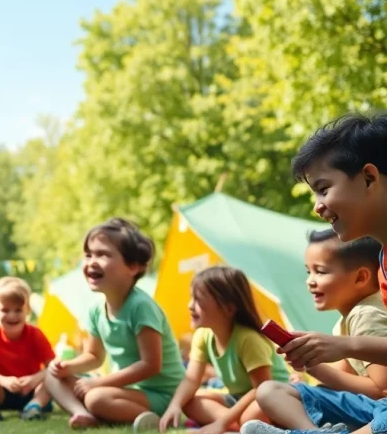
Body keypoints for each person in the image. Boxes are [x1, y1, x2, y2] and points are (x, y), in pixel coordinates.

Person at [239, 112, 387, 434]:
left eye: (323, 189)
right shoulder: (384, 261)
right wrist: (317, 358)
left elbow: (377, 386)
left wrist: (345, 346)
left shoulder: (365, 314)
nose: (317, 206)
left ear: (369, 178)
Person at [46, 217, 185, 433]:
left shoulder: (141, 306)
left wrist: (100, 383)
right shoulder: (95, 309)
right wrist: (68, 367)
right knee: (51, 375)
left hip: (161, 395)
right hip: (122, 390)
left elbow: (151, 365)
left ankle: (151, 418)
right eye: (89, 254)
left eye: (103, 254)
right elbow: (94, 356)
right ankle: (82, 413)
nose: (92, 261)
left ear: (133, 267)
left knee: (96, 397)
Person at [242, 230, 387, 434]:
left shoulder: (367, 315)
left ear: (361, 277)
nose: (310, 280)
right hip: (364, 407)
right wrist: (308, 364)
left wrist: (314, 367)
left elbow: (379, 389)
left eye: (320, 271)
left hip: (378, 408)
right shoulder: (346, 321)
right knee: (270, 391)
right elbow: (341, 376)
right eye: (308, 271)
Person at [158, 266, 289, 434]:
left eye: (198, 300)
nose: (190, 306)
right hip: (238, 399)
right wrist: (174, 406)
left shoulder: (248, 339)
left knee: (253, 415)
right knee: (189, 401)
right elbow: (191, 380)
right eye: (192, 298)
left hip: (272, 397)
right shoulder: (203, 336)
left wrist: (221, 423)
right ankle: (239, 427)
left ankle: (235, 425)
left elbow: (261, 389)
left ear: (229, 308)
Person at [0, 277, 56, 422]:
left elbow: (53, 365)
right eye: (5, 310)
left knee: (54, 375)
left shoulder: (36, 334)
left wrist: (34, 379)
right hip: (2, 393)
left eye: (18, 310)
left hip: (33, 392)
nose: (12, 315)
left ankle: (34, 407)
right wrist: (2, 380)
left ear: (27, 310)